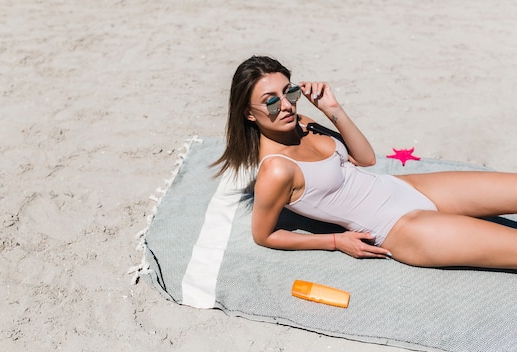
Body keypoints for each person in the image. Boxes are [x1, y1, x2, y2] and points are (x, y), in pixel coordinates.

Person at [213, 55, 517, 270]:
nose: (286, 105)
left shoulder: (303, 123)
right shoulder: (276, 170)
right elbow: (264, 235)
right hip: (400, 228)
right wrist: (335, 241)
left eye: (289, 91)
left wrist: (333, 109)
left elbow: (365, 159)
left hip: (405, 187)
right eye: (271, 100)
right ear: (248, 113)